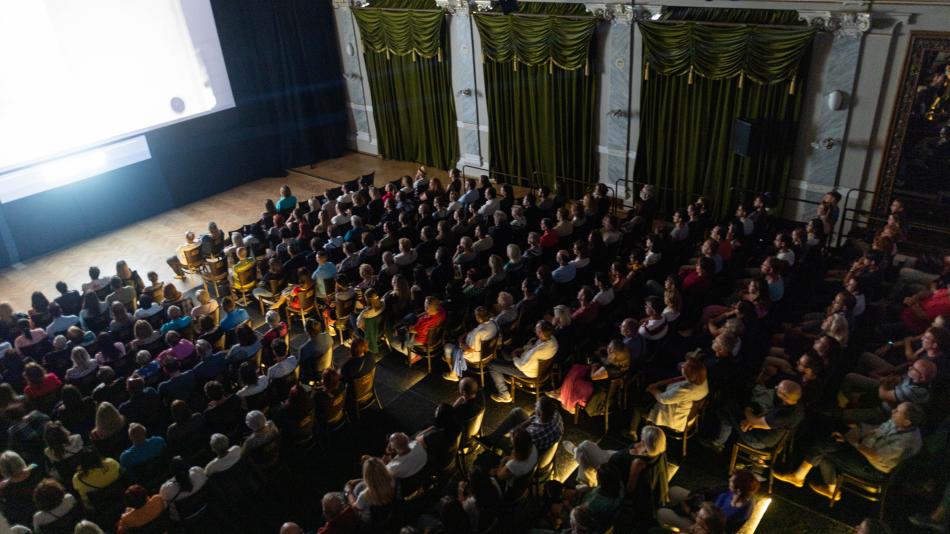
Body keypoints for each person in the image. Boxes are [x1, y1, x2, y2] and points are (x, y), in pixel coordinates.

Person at [774, 402, 924, 500]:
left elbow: (877, 456)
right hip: (864, 450)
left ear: (907, 422)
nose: (893, 411)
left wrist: (854, 443)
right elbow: (876, 430)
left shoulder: (905, 442)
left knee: (823, 448)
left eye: (898, 411)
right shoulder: (898, 422)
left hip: (872, 467)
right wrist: (849, 436)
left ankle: (799, 477)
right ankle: (830, 489)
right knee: (826, 444)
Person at [566, 425, 669, 518]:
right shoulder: (658, 451)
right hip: (614, 456)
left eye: (643, 437)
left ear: (647, 444)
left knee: (585, 446)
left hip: (611, 467)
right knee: (584, 454)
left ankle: (578, 456)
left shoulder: (638, 463)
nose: (640, 436)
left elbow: (629, 489)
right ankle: (579, 456)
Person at [701, 380, 804, 454]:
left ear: (784, 396)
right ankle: (720, 441)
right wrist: (752, 422)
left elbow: (756, 421)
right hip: (767, 434)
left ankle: (718, 443)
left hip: (758, 441)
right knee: (732, 412)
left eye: (778, 389)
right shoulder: (795, 404)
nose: (776, 387)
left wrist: (748, 411)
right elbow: (769, 415)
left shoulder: (783, 416)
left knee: (727, 408)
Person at [658, 469, 759, 533]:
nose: (729, 480)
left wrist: (689, 511)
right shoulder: (737, 493)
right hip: (705, 508)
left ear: (738, 490)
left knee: (662, 513)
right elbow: (712, 492)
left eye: (732, 481)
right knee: (673, 491)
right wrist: (695, 497)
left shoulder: (735, 514)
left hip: (703, 525)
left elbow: (710, 527)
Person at [629, 358, 708, 439]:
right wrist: (657, 384)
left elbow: (663, 399)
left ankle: (632, 432)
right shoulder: (701, 380)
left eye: (684, 367)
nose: (682, 365)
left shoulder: (685, 391)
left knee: (638, 405)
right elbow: (679, 379)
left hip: (674, 418)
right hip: (687, 414)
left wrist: (652, 389)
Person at [488, 320, 558, 403]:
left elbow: (522, 366)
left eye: (536, 328)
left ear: (540, 333)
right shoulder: (553, 340)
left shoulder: (536, 352)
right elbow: (535, 347)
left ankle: (504, 394)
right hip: (538, 368)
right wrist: (523, 349)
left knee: (492, 364)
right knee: (505, 350)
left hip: (527, 371)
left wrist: (514, 356)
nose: (534, 329)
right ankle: (506, 372)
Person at [480, 396, 563, 454]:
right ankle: (491, 439)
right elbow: (533, 419)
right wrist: (524, 424)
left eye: (536, 406)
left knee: (500, 439)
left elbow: (515, 441)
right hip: (544, 442)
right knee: (518, 412)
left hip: (528, 451)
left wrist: (515, 431)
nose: (534, 405)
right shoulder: (555, 414)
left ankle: (491, 442)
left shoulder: (532, 433)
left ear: (540, 413)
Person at [442, 307, 498, 382]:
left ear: (478, 317)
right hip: (489, 353)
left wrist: (461, 344)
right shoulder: (493, 323)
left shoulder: (479, 334)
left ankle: (454, 374)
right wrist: (466, 334)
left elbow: (471, 349)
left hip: (477, 356)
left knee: (448, 348)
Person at [0, 450, 45, 526]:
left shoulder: (4, 488)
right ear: (20, 460)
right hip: (47, 505)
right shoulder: (35, 468)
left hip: (27, 519)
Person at [345, 457, 395, 524]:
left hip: (371, 520)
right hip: (389, 512)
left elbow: (355, 508)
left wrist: (349, 492)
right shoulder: (393, 480)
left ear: (366, 475)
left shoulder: (364, 495)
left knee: (356, 489)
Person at [160, 456, 208, 522]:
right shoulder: (198, 472)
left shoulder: (166, 490)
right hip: (205, 507)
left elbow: (165, 506)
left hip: (185, 520)